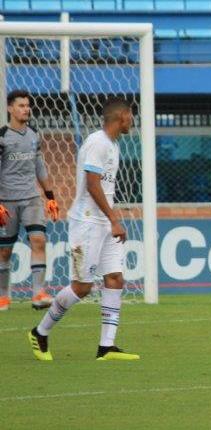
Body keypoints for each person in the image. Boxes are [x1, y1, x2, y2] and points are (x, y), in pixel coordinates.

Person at [27, 97, 139, 362]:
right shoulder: (97, 142)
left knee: (115, 278)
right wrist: (114, 219)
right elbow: (92, 184)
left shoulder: (112, 145)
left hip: (105, 222)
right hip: (87, 222)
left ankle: (106, 347)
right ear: (121, 116)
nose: (133, 120)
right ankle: (40, 331)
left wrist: (111, 219)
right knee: (82, 287)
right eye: (131, 114)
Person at [0, 89, 59, 311]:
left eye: (28, 105)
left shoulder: (34, 134)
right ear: (10, 108)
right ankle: (3, 295)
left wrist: (50, 196)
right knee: (4, 251)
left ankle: (38, 294)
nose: (26, 109)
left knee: (38, 240)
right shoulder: (2, 137)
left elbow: (40, 166)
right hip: (7, 202)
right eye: (21, 106)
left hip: (32, 198)